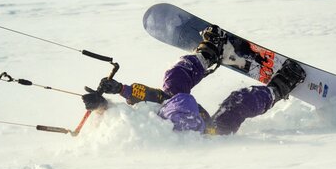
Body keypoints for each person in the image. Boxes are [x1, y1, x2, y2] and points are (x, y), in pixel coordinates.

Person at [82, 26, 306, 135]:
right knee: (239, 102)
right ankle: (279, 87)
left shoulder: (159, 115)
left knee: (173, 79)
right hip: (214, 134)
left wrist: (118, 90)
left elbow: (149, 98)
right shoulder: (165, 135)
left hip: (179, 109)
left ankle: (208, 54)